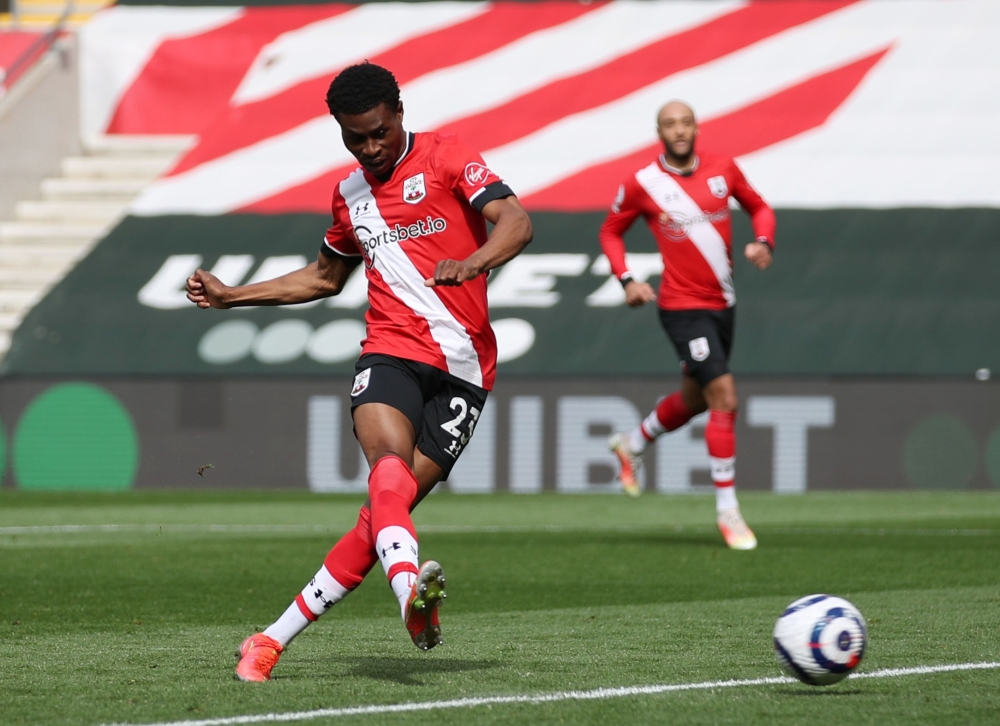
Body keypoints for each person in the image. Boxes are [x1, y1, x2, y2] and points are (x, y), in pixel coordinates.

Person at [186, 62, 532, 681]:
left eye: (377, 132)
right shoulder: (351, 195)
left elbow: (517, 222)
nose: (369, 148)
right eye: (354, 138)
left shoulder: (448, 156)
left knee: (380, 517)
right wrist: (232, 295)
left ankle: (266, 640)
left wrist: (473, 261)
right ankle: (409, 597)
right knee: (387, 470)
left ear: (399, 112)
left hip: (465, 367)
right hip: (391, 350)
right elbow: (323, 277)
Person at [600, 100, 775, 551]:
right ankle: (728, 511)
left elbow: (760, 207)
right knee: (725, 398)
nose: (679, 130)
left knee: (696, 399)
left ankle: (632, 444)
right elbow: (610, 231)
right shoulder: (643, 183)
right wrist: (626, 279)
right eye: (669, 124)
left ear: (697, 127)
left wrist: (762, 242)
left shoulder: (723, 169)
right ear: (658, 131)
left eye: (685, 122)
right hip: (681, 307)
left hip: (723, 304)